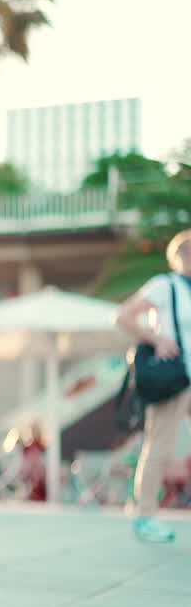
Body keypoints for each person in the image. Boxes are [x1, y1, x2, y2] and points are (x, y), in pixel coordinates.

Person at [115, 229, 191, 543]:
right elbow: (123, 316)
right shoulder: (165, 285)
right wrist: (158, 340)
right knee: (159, 446)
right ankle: (144, 516)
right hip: (174, 379)